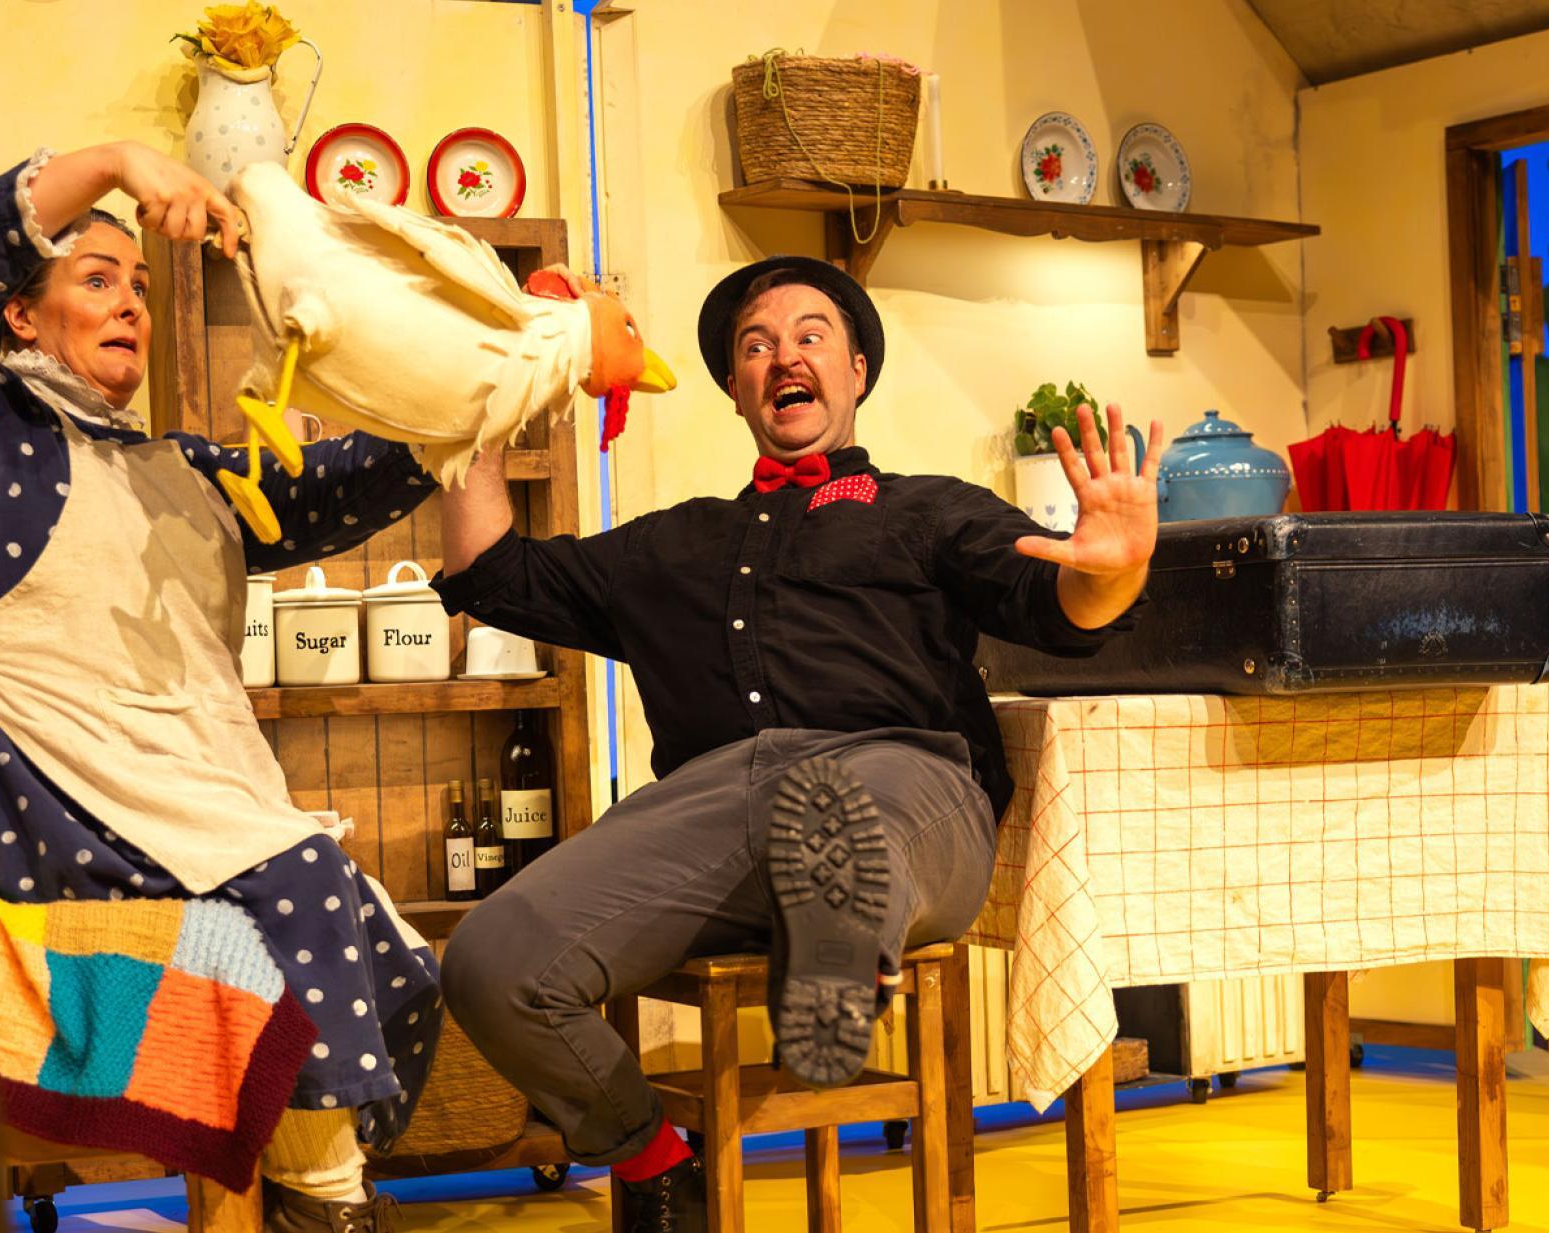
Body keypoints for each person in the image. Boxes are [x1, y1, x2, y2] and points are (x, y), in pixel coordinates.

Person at [432, 257, 1163, 1229]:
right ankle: (652, 1157)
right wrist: (488, 381)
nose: (785, 355)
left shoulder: (927, 513)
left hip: (906, 790)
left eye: (811, 335)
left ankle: (839, 941)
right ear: (737, 388)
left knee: (835, 803)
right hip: (711, 815)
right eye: (757, 344)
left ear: (857, 370)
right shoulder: (669, 547)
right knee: (492, 960)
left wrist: (1112, 571)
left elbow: (1060, 609)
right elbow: (489, 574)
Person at [0, 141, 439, 1233]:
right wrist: (124, 161)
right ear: (20, 316)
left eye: (136, 282)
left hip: (152, 814)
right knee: (306, 882)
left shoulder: (183, 473)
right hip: (8, 807)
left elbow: (340, 483)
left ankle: (319, 1199)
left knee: (368, 942)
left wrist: (514, 359)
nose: (127, 299)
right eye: (95, 277)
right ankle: (329, 1210)